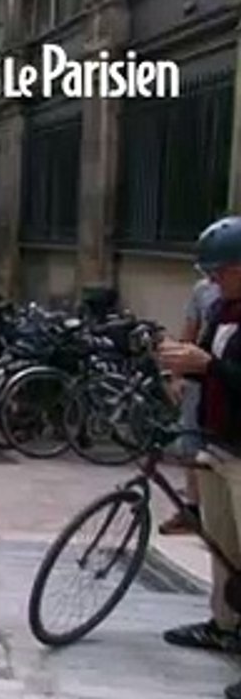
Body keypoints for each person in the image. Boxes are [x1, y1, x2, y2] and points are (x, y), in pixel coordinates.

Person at [156, 216, 241, 699]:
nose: (212, 282)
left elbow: (226, 370)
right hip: (218, 441)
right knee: (224, 548)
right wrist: (181, 359)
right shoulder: (223, 310)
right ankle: (223, 626)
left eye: (220, 271)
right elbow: (209, 359)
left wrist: (210, 366)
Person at [161, 276, 221, 534]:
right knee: (190, 442)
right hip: (201, 376)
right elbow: (191, 332)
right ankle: (193, 507)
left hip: (223, 381)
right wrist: (178, 375)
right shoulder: (204, 290)